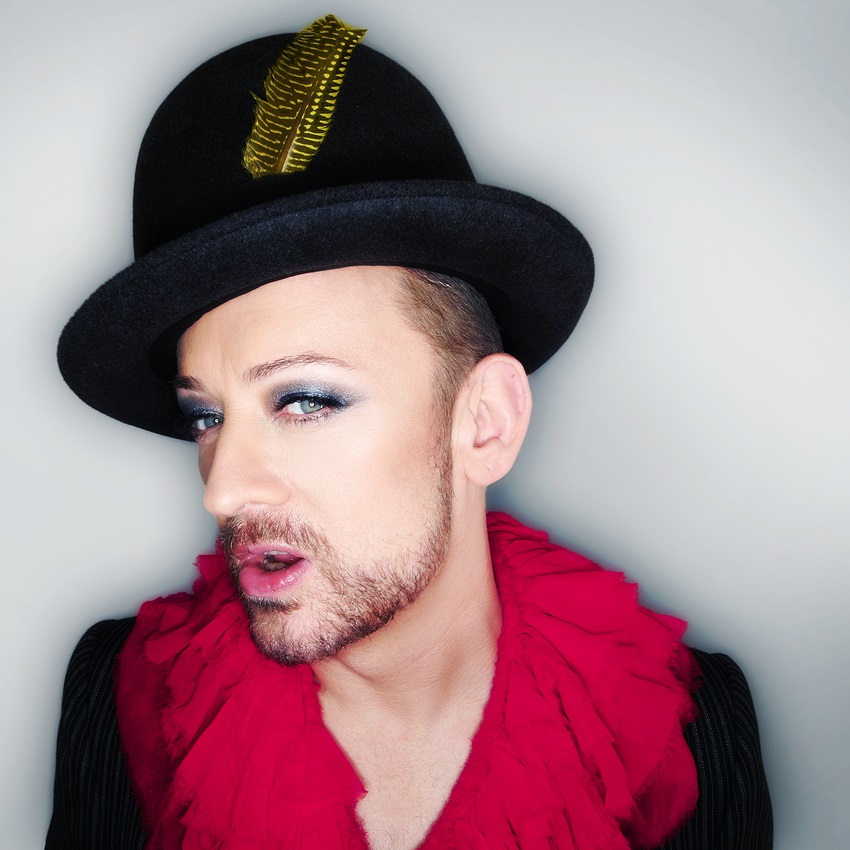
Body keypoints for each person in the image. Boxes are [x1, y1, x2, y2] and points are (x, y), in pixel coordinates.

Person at [47, 13, 772, 850]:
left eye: (306, 400)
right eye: (206, 416)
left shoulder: (678, 729)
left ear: (485, 422)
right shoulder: (128, 700)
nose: (224, 488)